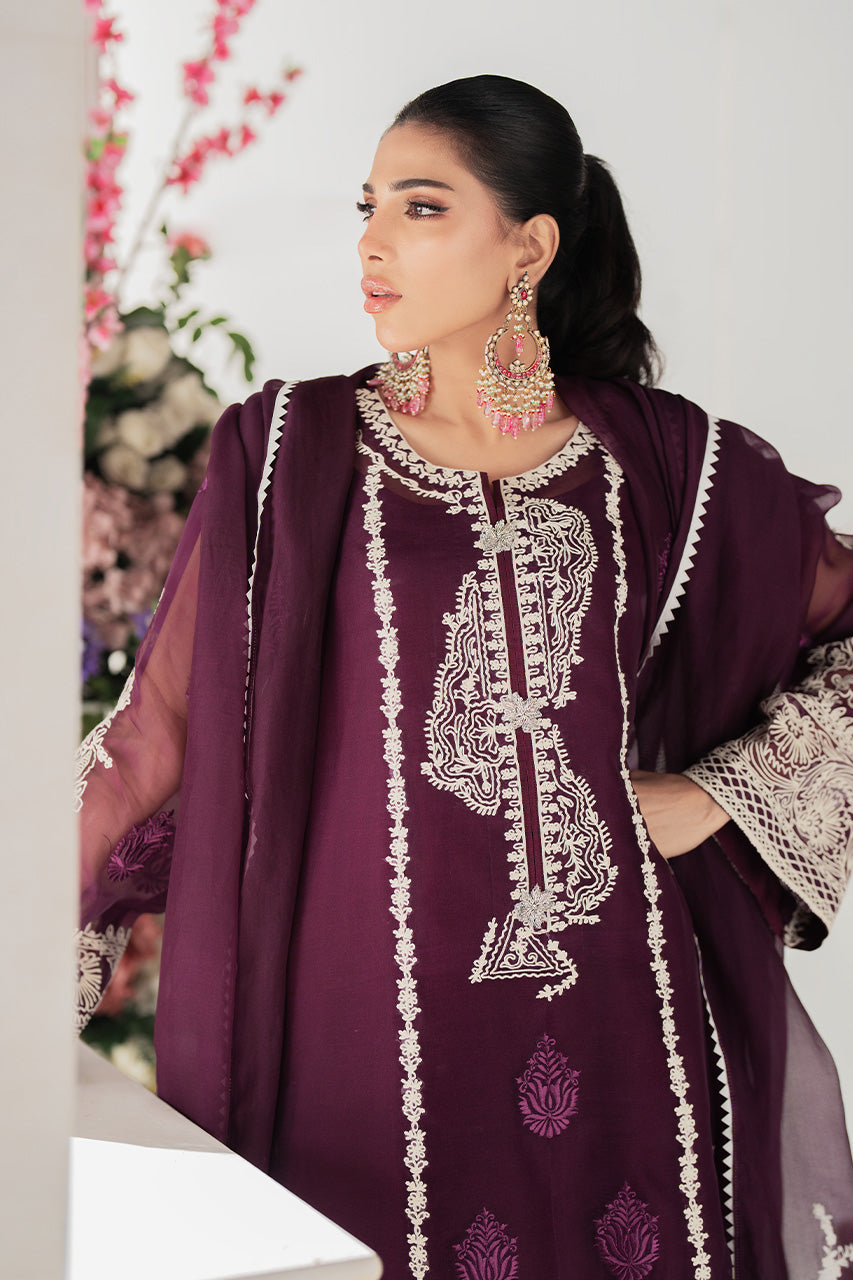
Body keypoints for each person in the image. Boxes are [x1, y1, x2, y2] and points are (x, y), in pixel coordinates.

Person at [76, 75, 853, 1279]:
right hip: (355, 1045)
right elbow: (151, 743)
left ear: (528, 247)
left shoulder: (669, 467)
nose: (373, 242)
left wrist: (717, 792)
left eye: (422, 207)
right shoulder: (288, 451)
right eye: (369, 207)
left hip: (626, 1032)